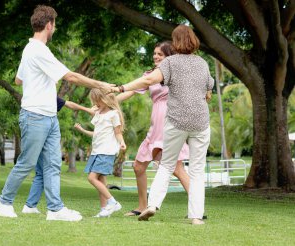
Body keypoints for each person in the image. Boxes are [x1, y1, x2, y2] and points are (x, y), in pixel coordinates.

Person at [0, 5, 113, 221]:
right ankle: (3, 202)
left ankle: (55, 209)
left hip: (49, 116)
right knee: (27, 163)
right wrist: (101, 85)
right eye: (54, 25)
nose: (54, 28)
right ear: (49, 25)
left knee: (53, 164)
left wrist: (36, 77)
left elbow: (18, 80)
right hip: (35, 116)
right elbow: (72, 77)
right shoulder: (38, 50)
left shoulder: (30, 50)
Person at [112, 25, 213, 225]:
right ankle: (196, 217)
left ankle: (152, 205)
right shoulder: (203, 63)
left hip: (176, 121)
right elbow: (208, 92)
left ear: (175, 43)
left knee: (167, 165)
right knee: (197, 170)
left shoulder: (171, 63)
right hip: (201, 122)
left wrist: (122, 87)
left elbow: (149, 79)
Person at [116, 41, 190, 217]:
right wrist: (109, 101)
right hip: (155, 126)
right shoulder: (150, 75)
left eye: (160, 54)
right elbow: (131, 91)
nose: (156, 56)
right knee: (138, 166)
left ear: (169, 57)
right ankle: (142, 206)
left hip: (170, 122)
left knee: (177, 168)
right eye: (155, 53)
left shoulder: (177, 75)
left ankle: (197, 208)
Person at [22, 97, 93, 214]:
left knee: (40, 173)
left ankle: (30, 206)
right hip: (42, 137)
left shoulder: (35, 95)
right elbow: (69, 104)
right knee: (52, 169)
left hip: (34, 133)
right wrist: (88, 110)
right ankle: (55, 207)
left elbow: (67, 103)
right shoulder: (46, 95)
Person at [74, 88, 126, 217]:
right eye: (94, 101)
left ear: (105, 100)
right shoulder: (98, 114)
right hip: (97, 151)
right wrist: (82, 130)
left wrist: (122, 142)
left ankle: (113, 202)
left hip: (106, 151)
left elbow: (118, 132)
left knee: (92, 178)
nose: (96, 104)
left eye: (98, 101)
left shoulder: (113, 114)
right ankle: (104, 210)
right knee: (101, 179)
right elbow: (97, 133)